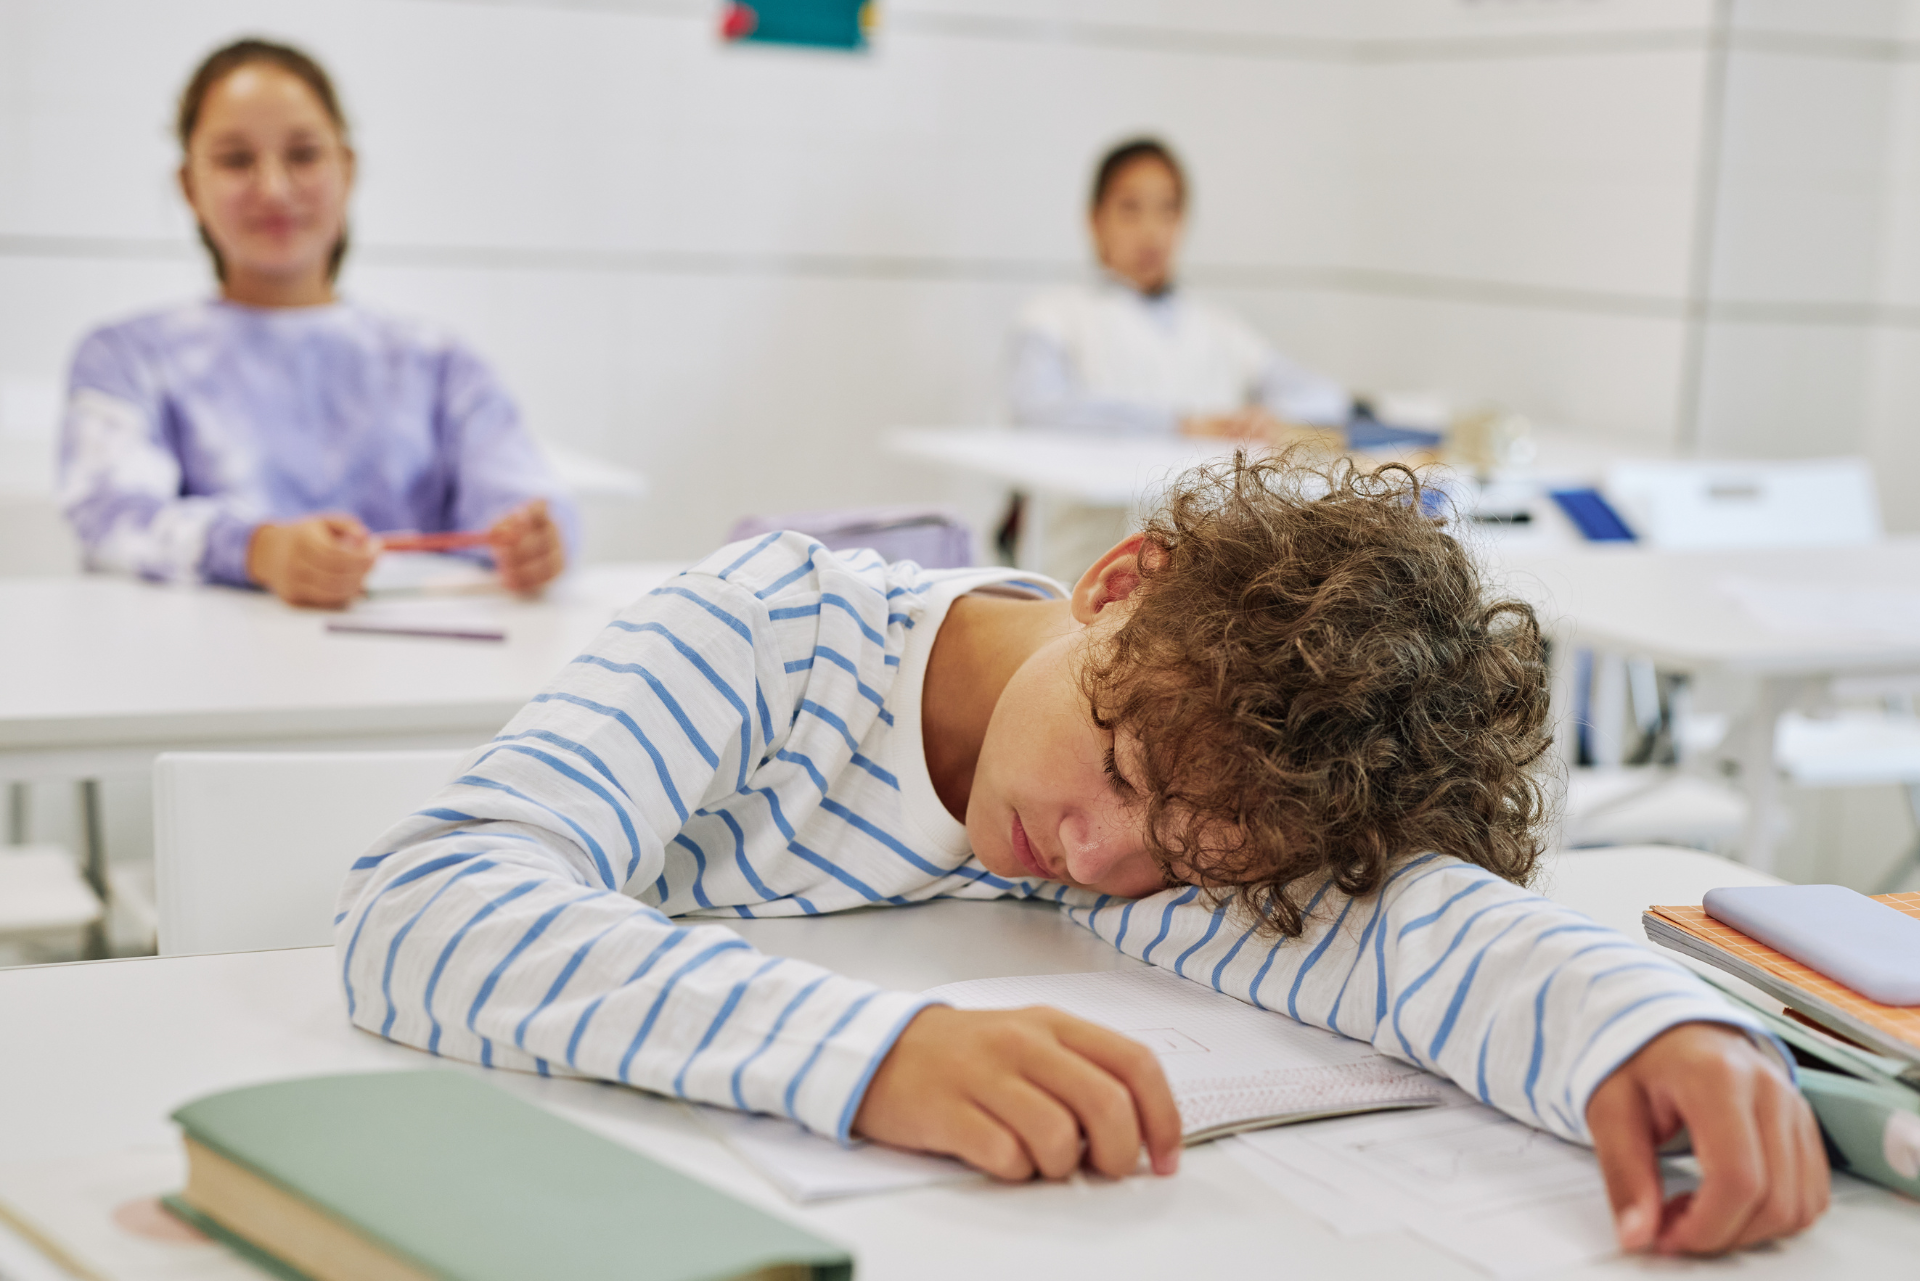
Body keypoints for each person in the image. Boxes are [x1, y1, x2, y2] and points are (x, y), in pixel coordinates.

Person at [338, 453, 1825, 1257]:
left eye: (1180, 861)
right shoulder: (761, 635)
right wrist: (882, 1055)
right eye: (1121, 771)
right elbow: (431, 905)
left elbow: (1378, 931)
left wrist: (1634, 1017)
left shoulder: (1154, 820)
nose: (1100, 858)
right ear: (1119, 584)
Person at [58, 39, 575, 608]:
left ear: (347, 169)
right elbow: (109, 516)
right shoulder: (124, 358)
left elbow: (523, 497)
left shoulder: (441, 362)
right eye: (235, 160)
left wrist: (534, 544)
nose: (274, 189)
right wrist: (258, 550)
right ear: (188, 185)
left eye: (303, 154)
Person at [1004, 138, 1351, 581]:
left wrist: (1272, 418)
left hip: (1200, 579)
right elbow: (1037, 411)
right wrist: (1178, 424)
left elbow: (1327, 398)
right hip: (1087, 573)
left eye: (1167, 210)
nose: (1151, 230)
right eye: (1131, 208)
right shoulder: (1051, 318)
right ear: (1095, 220)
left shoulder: (1219, 329)